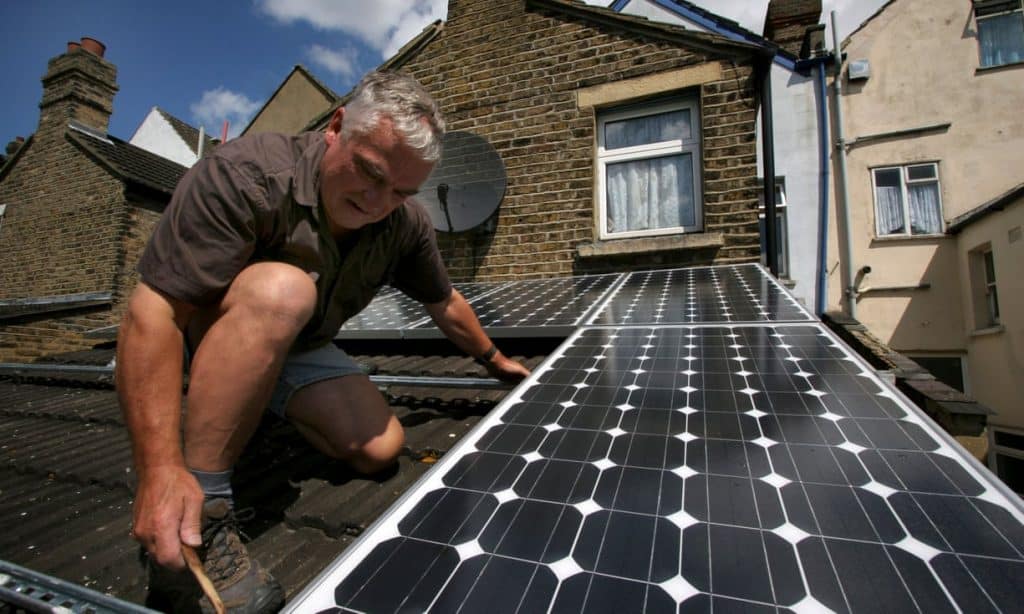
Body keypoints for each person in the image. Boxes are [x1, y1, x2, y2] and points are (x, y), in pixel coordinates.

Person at [116, 71, 529, 613]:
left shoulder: (403, 224)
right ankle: (203, 515)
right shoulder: (246, 175)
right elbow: (153, 313)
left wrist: (495, 360)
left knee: (379, 450)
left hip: (296, 345)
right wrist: (160, 470)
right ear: (336, 127)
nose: (379, 201)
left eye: (401, 191)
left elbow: (446, 304)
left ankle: (254, 393)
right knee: (283, 290)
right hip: (205, 329)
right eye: (369, 173)